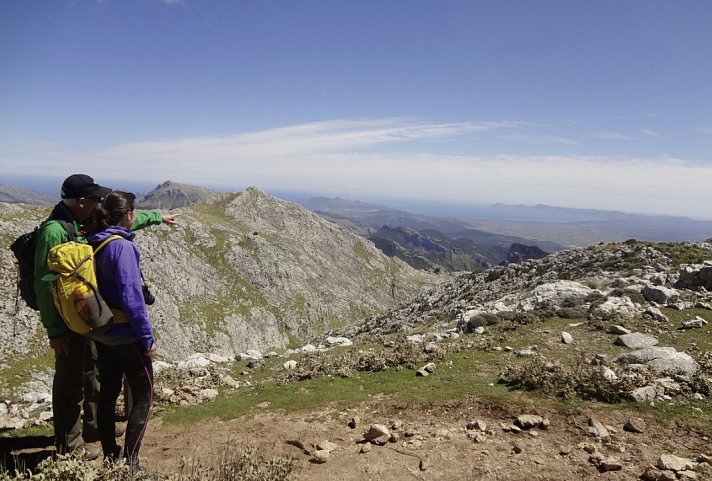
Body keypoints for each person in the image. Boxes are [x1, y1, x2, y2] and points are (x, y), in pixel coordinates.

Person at [33, 174, 176, 457]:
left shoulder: (90, 228)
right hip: (75, 322)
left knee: (98, 381)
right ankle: (72, 448)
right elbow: (42, 284)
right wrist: (55, 332)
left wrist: (157, 216)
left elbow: (126, 218)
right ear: (83, 202)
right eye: (96, 200)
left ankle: (99, 435)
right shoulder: (56, 232)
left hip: (95, 321)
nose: (100, 205)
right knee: (71, 383)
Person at [85, 191, 157, 471]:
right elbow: (132, 298)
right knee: (144, 394)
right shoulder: (122, 248)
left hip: (102, 331)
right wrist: (147, 337)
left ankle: (111, 456)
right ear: (128, 215)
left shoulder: (94, 241)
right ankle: (131, 465)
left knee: (108, 393)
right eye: (134, 212)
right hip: (126, 333)